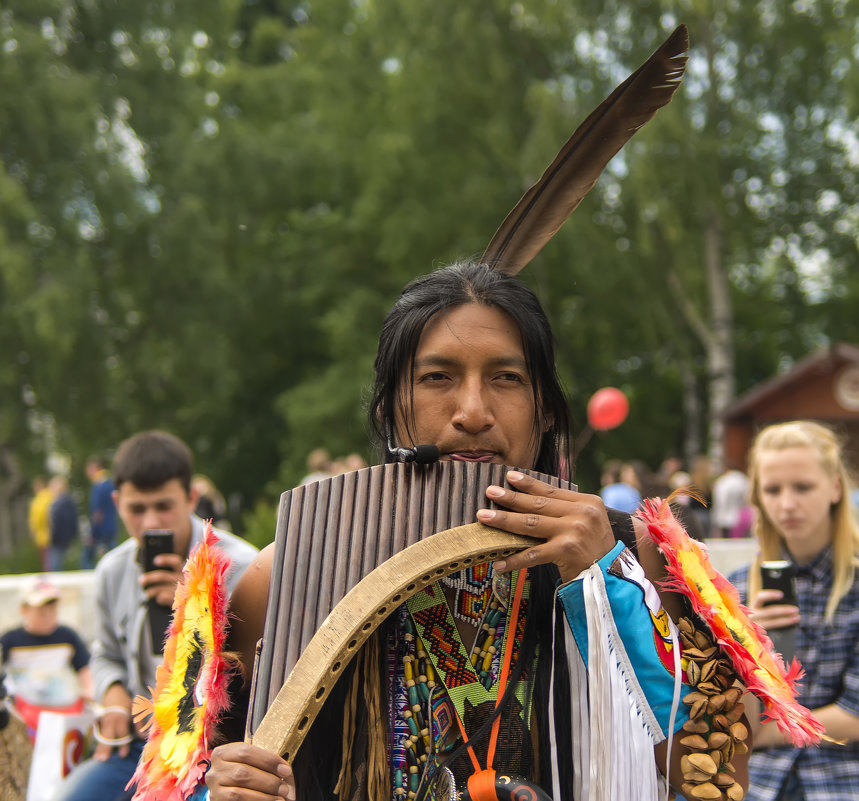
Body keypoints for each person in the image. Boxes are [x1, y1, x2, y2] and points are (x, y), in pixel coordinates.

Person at [207, 261, 744, 801]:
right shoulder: (285, 578)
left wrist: (611, 585)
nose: (472, 412)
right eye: (436, 377)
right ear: (390, 408)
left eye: (506, 378)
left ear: (546, 411)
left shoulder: (638, 557)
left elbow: (721, 782)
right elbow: (212, 770)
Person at [54, 430, 259, 801]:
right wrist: (114, 697)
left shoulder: (241, 566)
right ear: (117, 503)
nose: (151, 522)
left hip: (214, 748)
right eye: (137, 509)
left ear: (191, 498)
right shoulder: (112, 570)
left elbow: (254, 674)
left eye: (163, 506)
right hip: (140, 745)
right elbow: (106, 654)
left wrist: (193, 614)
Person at [728, 420, 859, 801]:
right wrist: (747, 643)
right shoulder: (737, 588)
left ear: (835, 488)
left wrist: (759, 736)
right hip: (756, 775)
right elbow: (729, 709)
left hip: (842, 773)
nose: (787, 503)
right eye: (773, 489)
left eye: (803, 487)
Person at [0, 576, 92, 734]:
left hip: (63, 707)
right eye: (42, 613)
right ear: (24, 610)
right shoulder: (11, 640)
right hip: (26, 711)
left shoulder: (67, 636)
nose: (49, 617)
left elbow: (84, 668)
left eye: (53, 611)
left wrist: (89, 691)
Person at [83, 456, 119, 569]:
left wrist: (93, 533)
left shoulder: (98, 486)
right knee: (114, 556)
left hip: (101, 529)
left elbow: (97, 512)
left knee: (87, 557)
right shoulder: (110, 484)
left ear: (96, 468)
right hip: (111, 526)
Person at [47, 476, 79, 571]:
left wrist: (53, 537)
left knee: (55, 567)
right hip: (66, 539)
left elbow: (57, 523)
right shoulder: (69, 502)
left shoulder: (58, 505)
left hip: (58, 540)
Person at [712, 463, 751, 538]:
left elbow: (720, 501)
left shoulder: (723, 481)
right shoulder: (743, 480)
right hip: (741, 517)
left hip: (725, 517)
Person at [28, 476, 54, 571]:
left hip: (42, 535)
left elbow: (37, 518)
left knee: (46, 562)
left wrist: (33, 529)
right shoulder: (51, 496)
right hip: (51, 534)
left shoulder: (39, 500)